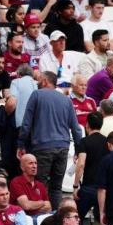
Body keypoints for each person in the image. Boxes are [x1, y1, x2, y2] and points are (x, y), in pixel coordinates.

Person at [17, 71, 82, 208]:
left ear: (46, 81)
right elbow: (76, 128)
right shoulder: (66, 100)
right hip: (63, 148)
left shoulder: (36, 95)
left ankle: (42, 220)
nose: (37, 82)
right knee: (57, 187)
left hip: (42, 146)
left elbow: (26, 123)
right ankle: (57, 220)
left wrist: (21, 144)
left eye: (40, 80)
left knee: (40, 184)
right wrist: (78, 149)